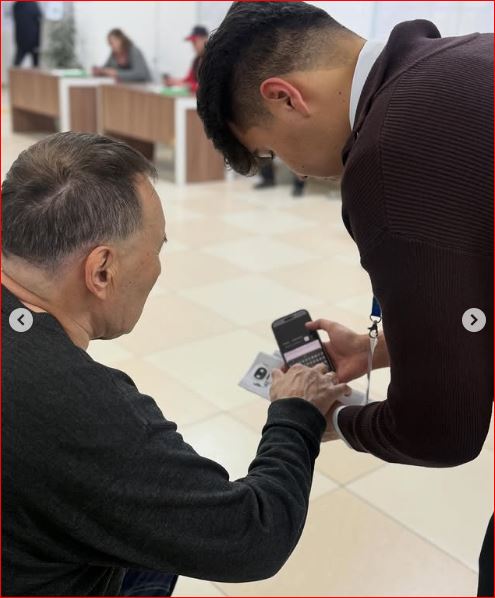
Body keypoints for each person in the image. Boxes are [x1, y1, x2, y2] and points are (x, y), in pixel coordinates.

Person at [196, 2, 493, 595]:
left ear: (285, 97)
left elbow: (443, 429)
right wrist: (378, 350)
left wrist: (327, 417)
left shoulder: (387, 154)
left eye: (274, 152)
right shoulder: (471, 56)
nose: (298, 172)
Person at [2, 131, 350, 597]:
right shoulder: (78, 407)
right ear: (102, 270)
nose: (158, 269)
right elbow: (254, 534)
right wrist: (296, 416)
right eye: (156, 250)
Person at [163, 25, 209, 93]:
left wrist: (188, 86)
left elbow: (208, 87)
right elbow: (189, 79)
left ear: (205, 39)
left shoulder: (213, 60)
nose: (193, 46)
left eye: (195, 42)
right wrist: (174, 81)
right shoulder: (196, 60)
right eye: (192, 43)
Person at [12, 1, 41, 67]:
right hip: (33, 39)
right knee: (35, 65)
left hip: (22, 39)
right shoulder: (33, 4)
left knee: (17, 64)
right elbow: (39, 18)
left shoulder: (17, 5)